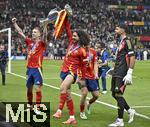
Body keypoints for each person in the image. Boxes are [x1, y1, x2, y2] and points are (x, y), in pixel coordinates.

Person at [53, 17, 90, 124]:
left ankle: (59, 111)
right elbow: (67, 28)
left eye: (75, 36)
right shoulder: (70, 43)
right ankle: (72, 117)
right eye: (72, 35)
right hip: (63, 71)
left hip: (71, 72)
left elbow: (83, 66)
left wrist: (81, 78)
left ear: (79, 38)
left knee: (62, 88)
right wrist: (65, 16)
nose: (73, 37)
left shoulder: (82, 51)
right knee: (68, 95)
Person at [12, 17, 47, 114]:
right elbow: (20, 32)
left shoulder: (41, 43)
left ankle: (38, 108)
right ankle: (30, 106)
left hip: (37, 69)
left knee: (37, 88)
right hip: (29, 69)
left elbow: (45, 36)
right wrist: (15, 23)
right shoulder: (29, 42)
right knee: (29, 89)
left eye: (35, 32)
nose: (33, 33)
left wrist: (45, 25)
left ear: (39, 34)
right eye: (32, 32)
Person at [108, 25, 136, 127]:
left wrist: (129, 73)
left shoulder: (127, 41)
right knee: (114, 94)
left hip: (122, 72)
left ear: (123, 30)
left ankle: (120, 120)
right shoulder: (121, 41)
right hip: (116, 71)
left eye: (117, 28)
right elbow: (120, 57)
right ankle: (130, 110)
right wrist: (113, 69)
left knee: (118, 94)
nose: (115, 30)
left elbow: (132, 57)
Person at [77, 46, 100, 120]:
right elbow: (76, 63)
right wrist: (77, 76)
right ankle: (82, 112)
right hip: (82, 76)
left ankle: (88, 103)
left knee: (96, 95)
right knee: (84, 93)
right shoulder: (79, 51)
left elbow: (96, 63)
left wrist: (96, 74)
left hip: (91, 76)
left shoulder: (93, 51)